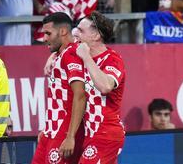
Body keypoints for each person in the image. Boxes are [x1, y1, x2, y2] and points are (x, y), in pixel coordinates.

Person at [31, 12, 86, 164]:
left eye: (48, 33)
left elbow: (80, 95)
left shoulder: (71, 55)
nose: (44, 38)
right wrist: (48, 127)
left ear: (62, 31)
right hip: (51, 130)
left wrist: (70, 137)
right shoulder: (61, 55)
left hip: (64, 131)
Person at [75, 11, 126, 163]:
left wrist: (86, 57)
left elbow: (105, 86)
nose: (75, 33)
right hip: (89, 133)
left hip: (106, 133)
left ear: (96, 36)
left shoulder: (113, 59)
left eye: (81, 31)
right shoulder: (79, 53)